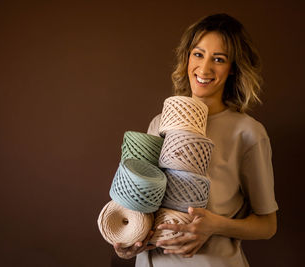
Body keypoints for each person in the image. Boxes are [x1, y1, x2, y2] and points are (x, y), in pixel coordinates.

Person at [113, 13, 278, 266]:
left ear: (232, 68)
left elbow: (267, 225)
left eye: (219, 59)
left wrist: (215, 225)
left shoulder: (248, 133)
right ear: (187, 57)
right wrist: (127, 243)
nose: (204, 69)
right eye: (198, 54)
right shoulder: (159, 123)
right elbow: (140, 208)